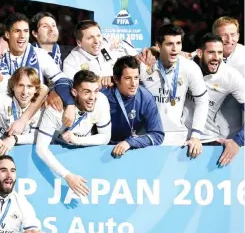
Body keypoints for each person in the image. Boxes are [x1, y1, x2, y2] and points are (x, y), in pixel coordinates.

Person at [0, 13, 76, 128]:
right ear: (7, 35)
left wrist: (70, 104)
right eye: (17, 31)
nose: (22, 35)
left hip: (31, 113)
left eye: (25, 31)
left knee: (51, 100)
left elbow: (61, 79)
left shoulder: (38, 54)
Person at [35, 70, 111, 197]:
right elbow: (41, 149)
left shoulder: (101, 101)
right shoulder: (55, 108)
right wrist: (67, 176)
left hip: (82, 154)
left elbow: (105, 137)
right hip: (56, 155)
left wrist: (77, 140)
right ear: (74, 92)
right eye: (87, 92)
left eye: (95, 91)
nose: (92, 97)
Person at [138, 24, 208, 154]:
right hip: (146, 137)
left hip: (177, 139)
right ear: (158, 45)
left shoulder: (189, 68)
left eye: (178, 43)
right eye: (169, 44)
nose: (175, 49)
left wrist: (196, 136)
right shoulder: (143, 65)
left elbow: (202, 101)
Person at [183, 33, 245, 166]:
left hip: (206, 140)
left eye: (220, 53)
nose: (217, 58)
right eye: (211, 52)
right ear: (200, 53)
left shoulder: (230, 76)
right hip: (177, 138)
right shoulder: (184, 66)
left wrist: (238, 141)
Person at [0, 67, 49, 152]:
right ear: (13, 87)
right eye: (20, 85)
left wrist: (14, 139)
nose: (25, 92)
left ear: (36, 89)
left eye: (29, 86)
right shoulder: (1, 101)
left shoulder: (40, 110)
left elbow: (39, 136)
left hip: (22, 155)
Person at [101, 56, 164, 158]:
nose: (134, 84)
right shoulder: (102, 95)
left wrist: (130, 142)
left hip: (130, 149)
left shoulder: (145, 98)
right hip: (101, 150)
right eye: (128, 78)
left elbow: (158, 135)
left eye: (136, 78)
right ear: (116, 79)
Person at [62, 20, 131, 88]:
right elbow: (73, 88)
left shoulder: (107, 47)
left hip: (116, 90)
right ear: (79, 43)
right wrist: (98, 81)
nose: (97, 41)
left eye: (98, 36)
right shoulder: (71, 62)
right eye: (90, 38)